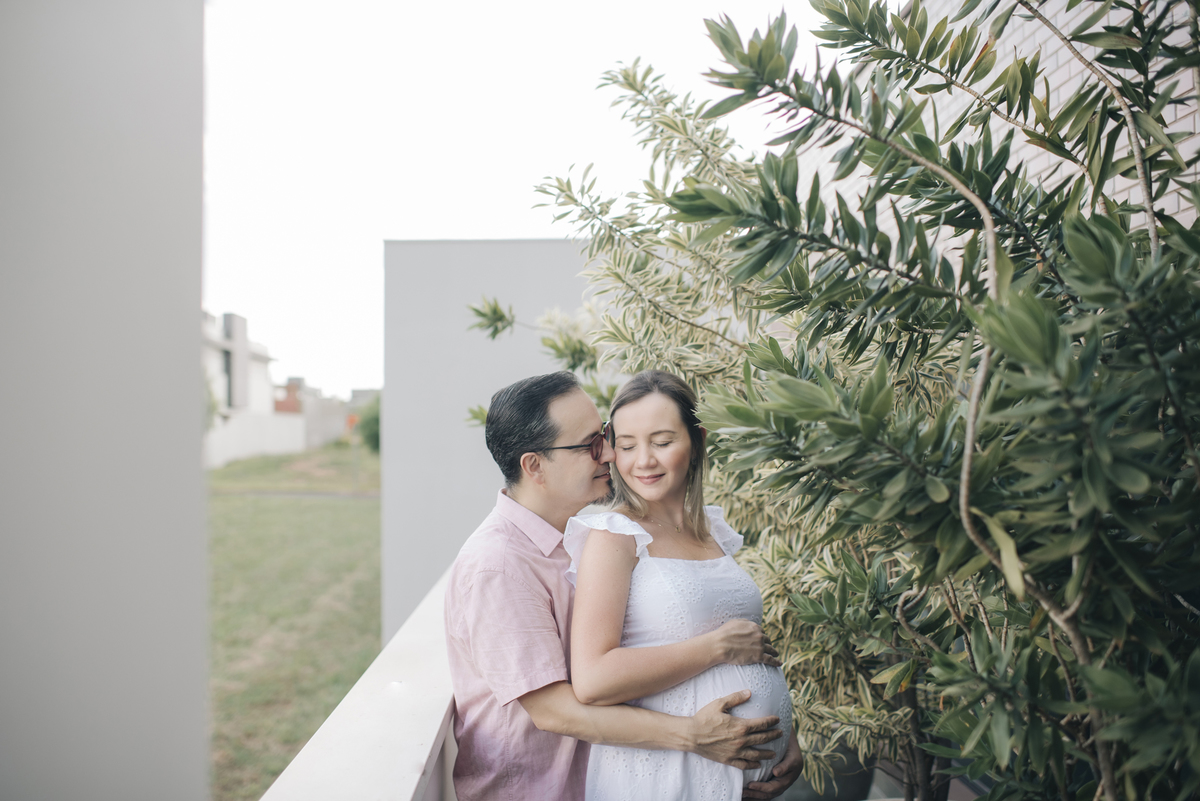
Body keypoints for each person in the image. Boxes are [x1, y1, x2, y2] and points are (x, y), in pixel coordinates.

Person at [444, 372, 801, 801]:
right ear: (534, 465)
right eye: (592, 444)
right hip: (542, 791)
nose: (611, 454)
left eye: (606, 437)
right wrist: (697, 736)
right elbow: (557, 710)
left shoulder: (580, 534)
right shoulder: (498, 565)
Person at [565, 369, 802, 801]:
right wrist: (717, 647)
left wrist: (790, 739)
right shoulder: (614, 535)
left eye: (662, 441)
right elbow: (593, 679)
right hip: (662, 777)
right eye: (628, 444)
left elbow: (751, 648)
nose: (643, 461)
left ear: (696, 441)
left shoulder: (711, 530)